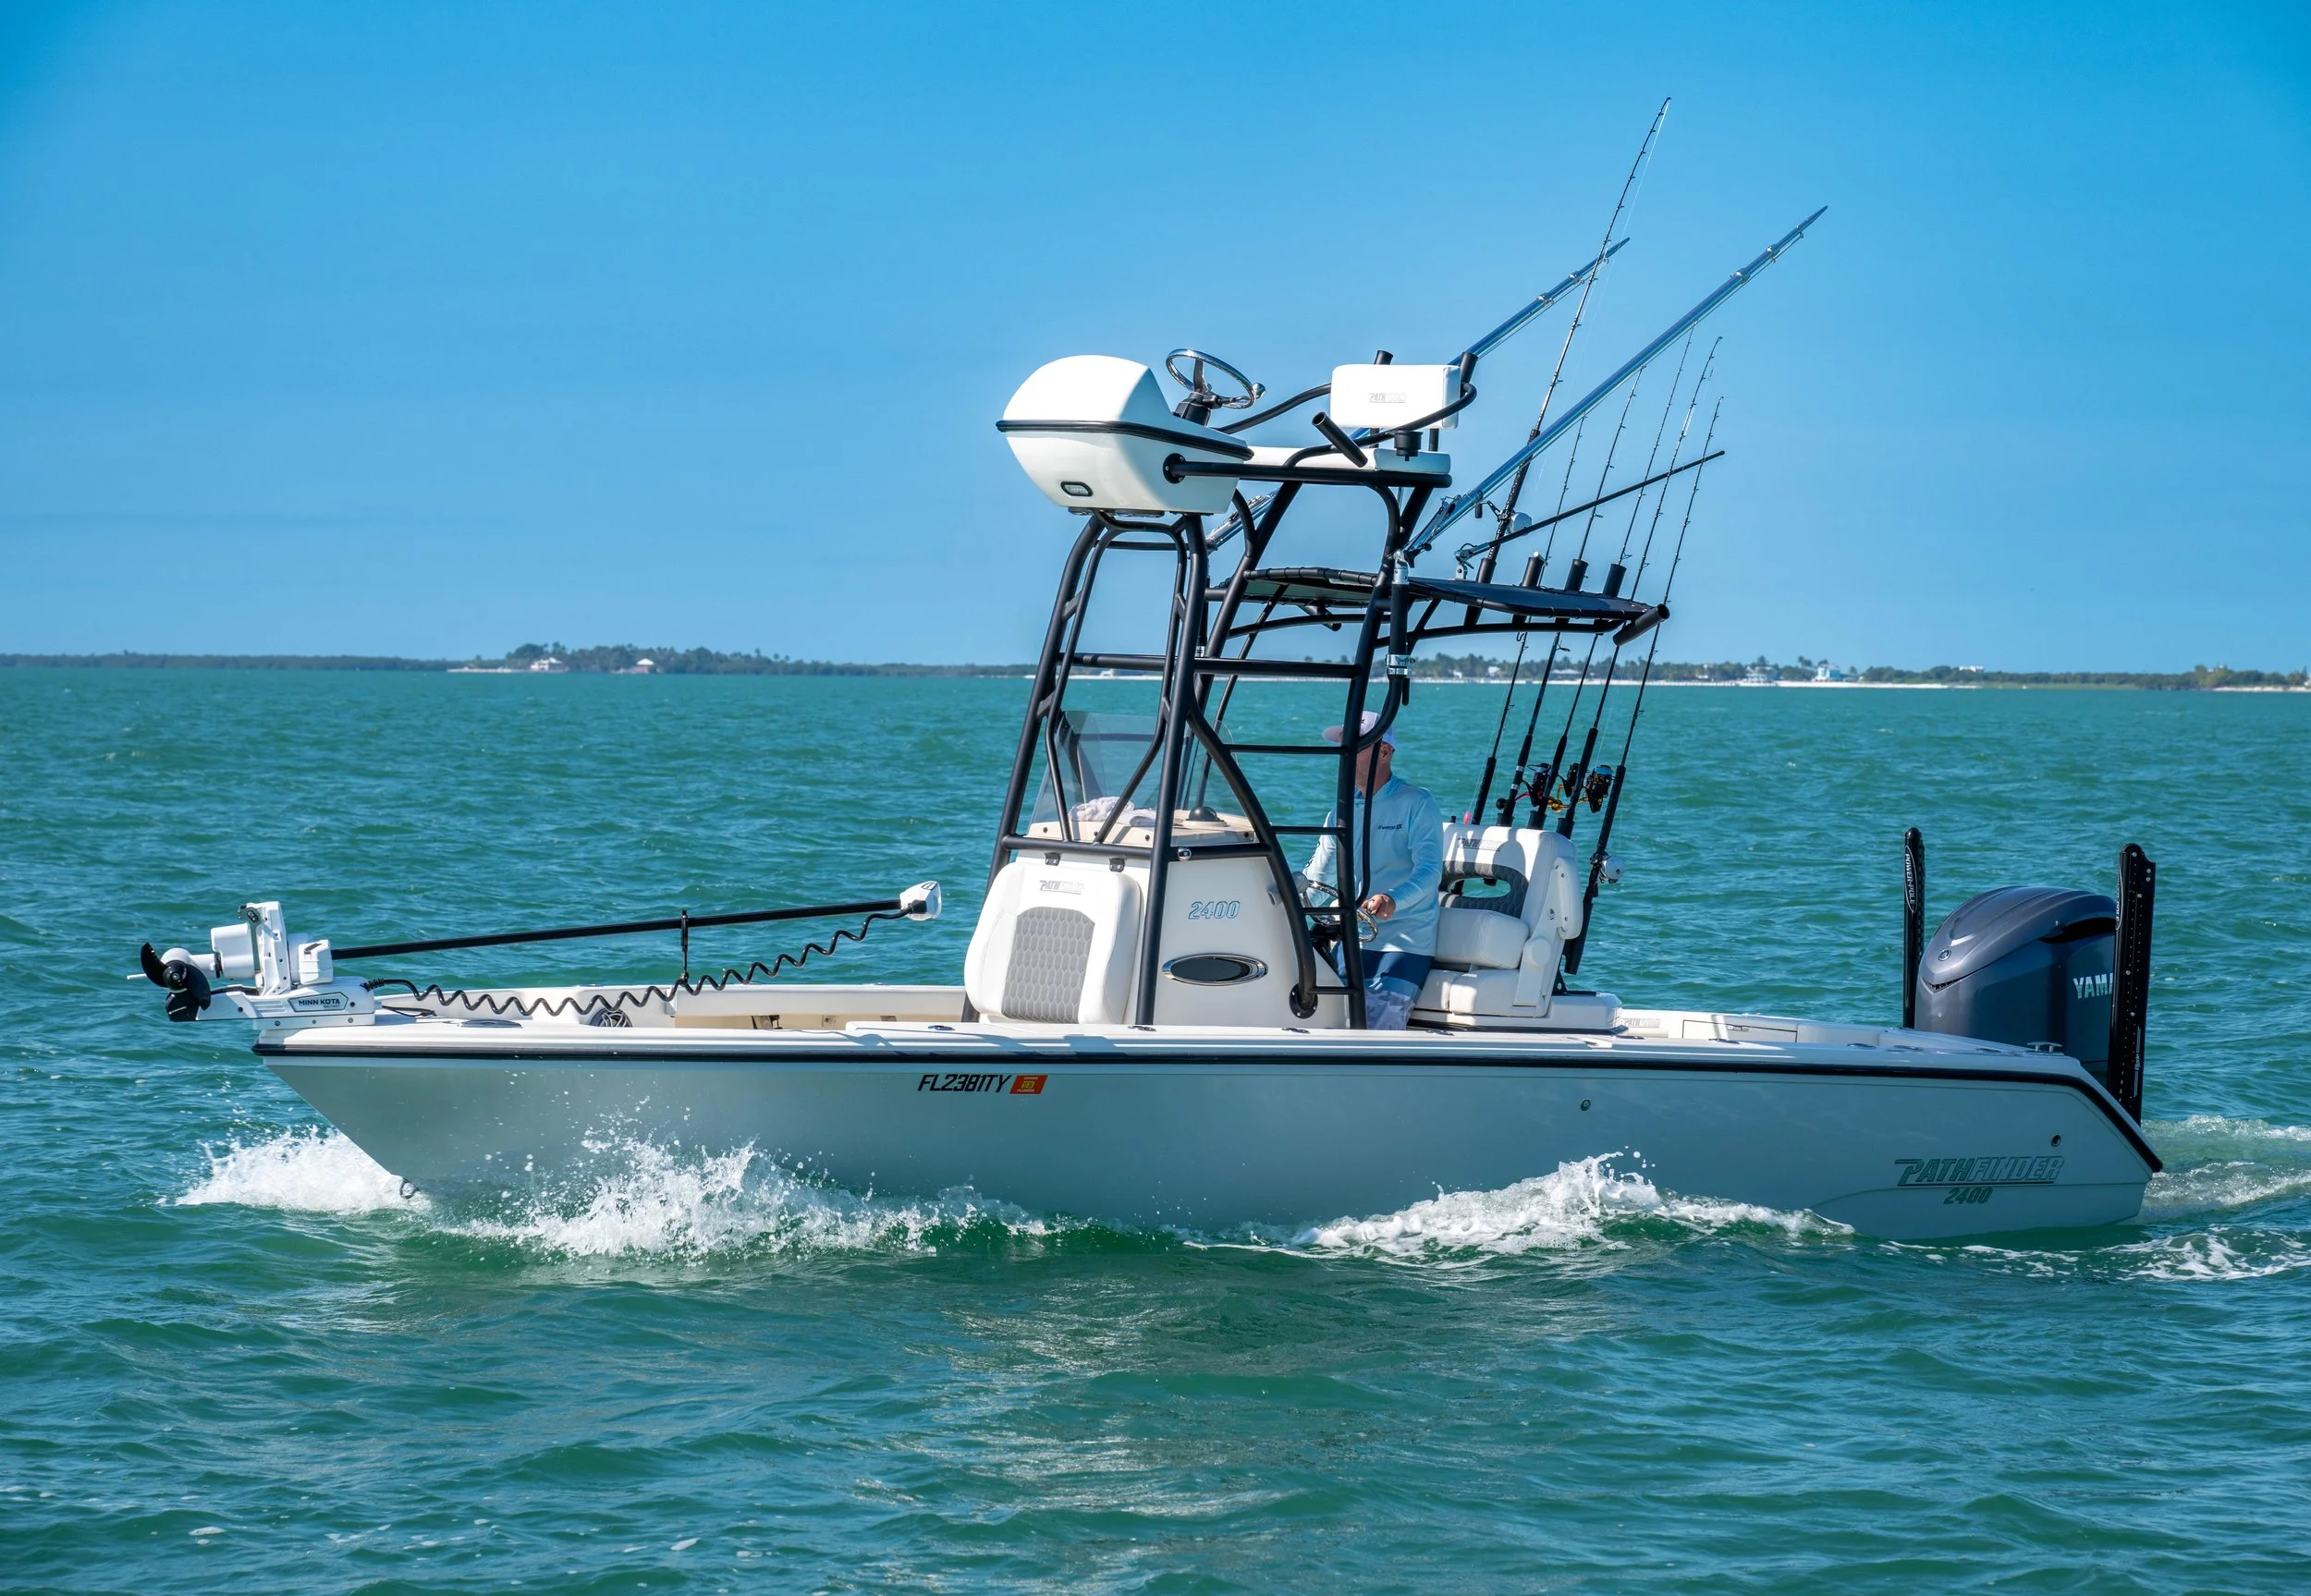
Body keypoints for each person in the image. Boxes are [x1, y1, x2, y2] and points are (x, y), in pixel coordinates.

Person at [1300, 711, 1442, 1029]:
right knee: (1329, 1029)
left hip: (1404, 945)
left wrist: (1393, 899)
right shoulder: (1340, 809)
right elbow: (1317, 876)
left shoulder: (1417, 802)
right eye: (1343, 744)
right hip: (1351, 939)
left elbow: (1431, 870)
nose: (1344, 751)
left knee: (1377, 1035)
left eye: (1355, 744)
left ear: (1385, 753)